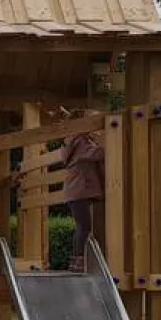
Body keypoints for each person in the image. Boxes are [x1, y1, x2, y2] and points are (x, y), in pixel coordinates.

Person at [56, 110, 106, 272]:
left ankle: (78, 259)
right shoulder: (80, 141)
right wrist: (111, 139)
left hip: (77, 191)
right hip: (79, 190)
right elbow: (98, 153)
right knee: (84, 226)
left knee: (83, 225)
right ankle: (78, 260)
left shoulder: (75, 141)